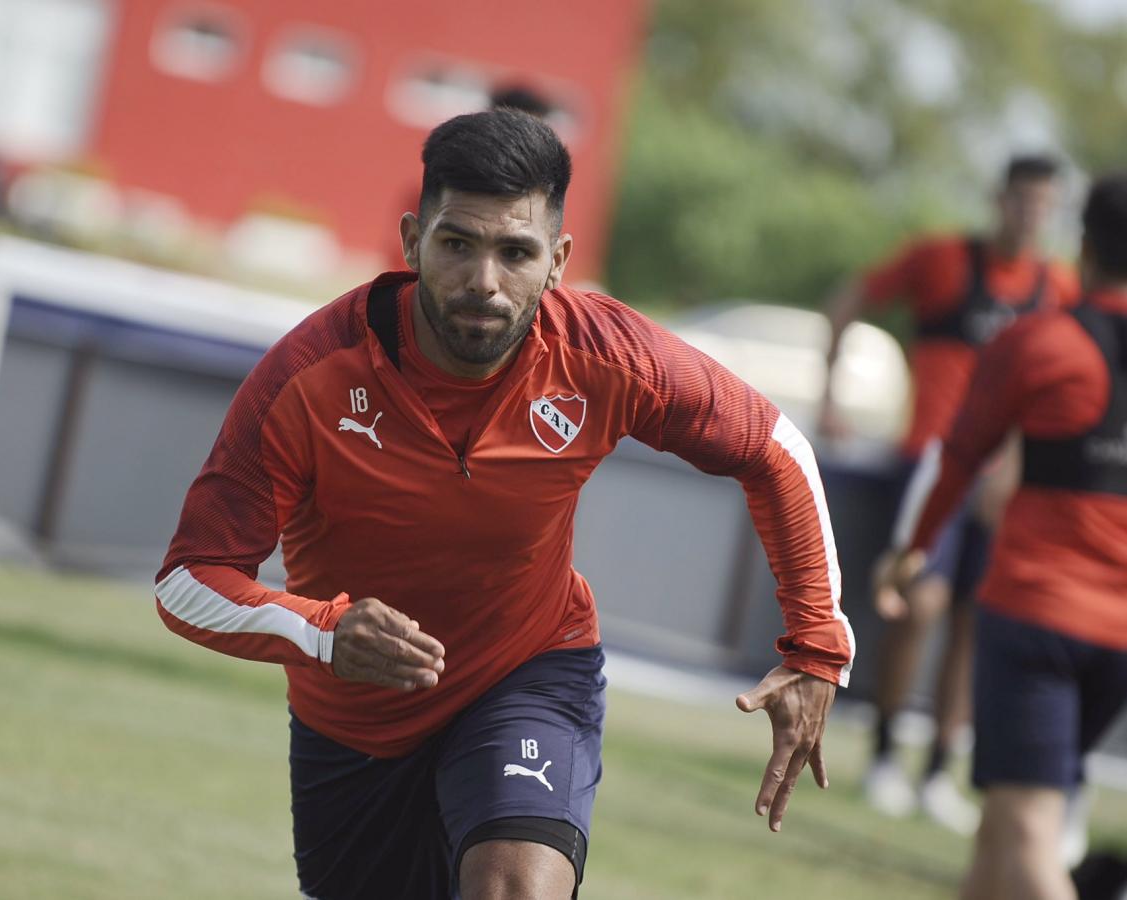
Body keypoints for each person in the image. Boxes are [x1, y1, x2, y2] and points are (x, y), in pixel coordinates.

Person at [155, 109, 854, 900]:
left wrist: (816, 648)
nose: (483, 281)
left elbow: (775, 449)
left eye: (514, 252)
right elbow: (188, 581)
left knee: (513, 889)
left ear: (556, 261)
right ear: (413, 239)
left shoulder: (607, 356)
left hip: (526, 675)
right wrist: (322, 634)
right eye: (457, 244)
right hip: (352, 720)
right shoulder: (310, 375)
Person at [879, 172, 1127, 900]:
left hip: (1035, 618)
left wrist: (910, 550)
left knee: (1023, 832)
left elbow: (955, 460)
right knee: (998, 838)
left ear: (1081, 245)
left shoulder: (1038, 342)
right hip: (1117, 637)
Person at [819, 155, 1079, 830]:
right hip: (934, 461)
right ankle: (883, 754)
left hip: (1001, 479)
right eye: (1021, 200)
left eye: (1043, 204)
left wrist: (1027, 463)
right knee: (919, 603)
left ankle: (938, 769)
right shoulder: (939, 259)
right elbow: (852, 296)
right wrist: (830, 391)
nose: (1030, 215)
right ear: (999, 199)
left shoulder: (1057, 288)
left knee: (973, 618)